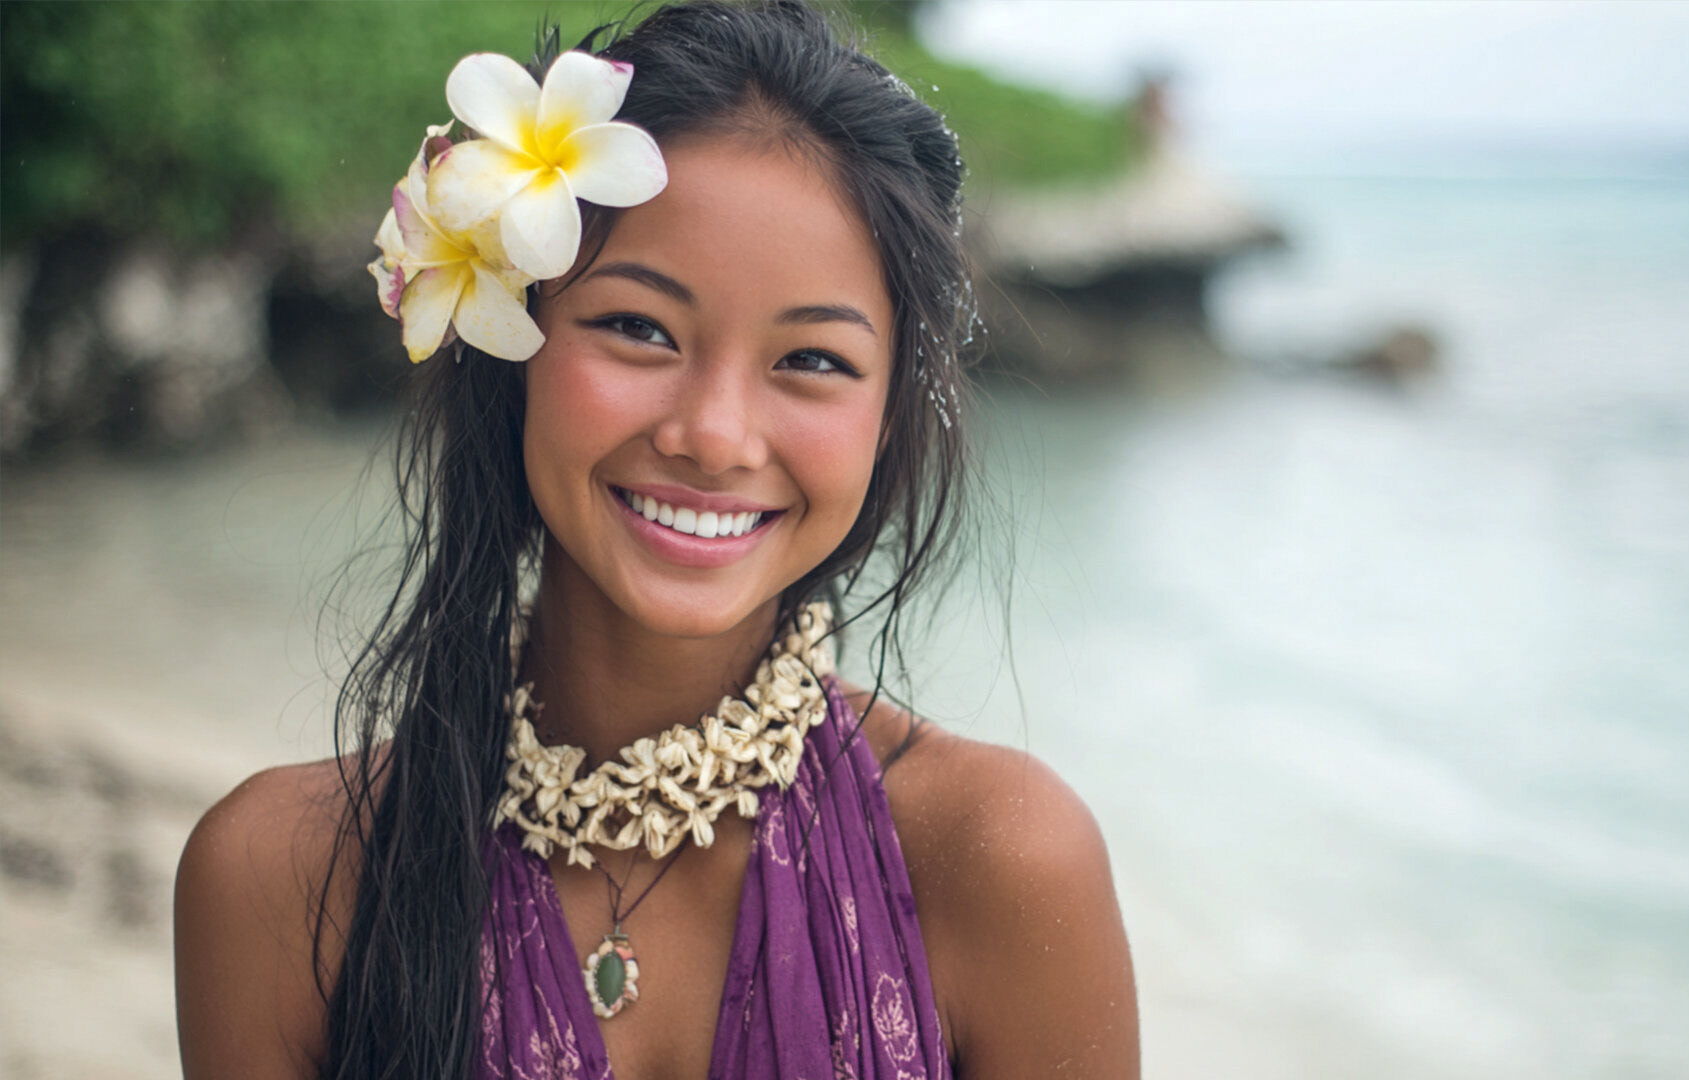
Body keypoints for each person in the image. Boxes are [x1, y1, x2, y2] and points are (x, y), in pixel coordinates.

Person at [173, 2, 1138, 1077]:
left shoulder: (1001, 864)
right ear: (509, 345)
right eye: (638, 328)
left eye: (810, 359)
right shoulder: (279, 877)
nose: (713, 437)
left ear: (889, 413)